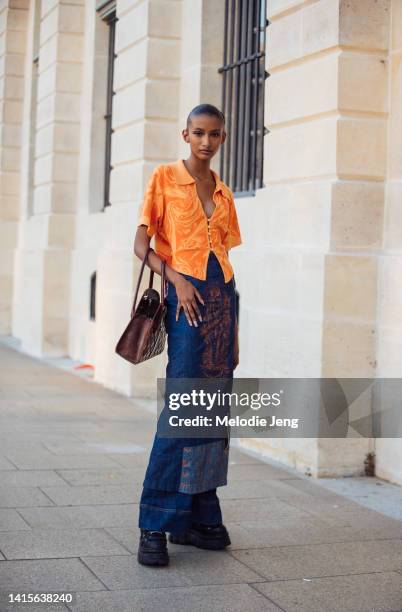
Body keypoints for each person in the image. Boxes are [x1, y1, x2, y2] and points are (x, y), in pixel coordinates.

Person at [133, 103, 243, 567]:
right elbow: (142, 245)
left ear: (222, 138)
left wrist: (234, 327)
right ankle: (154, 523)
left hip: (223, 300)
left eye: (214, 134)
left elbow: (224, 256)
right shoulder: (163, 178)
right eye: (198, 132)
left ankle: (200, 516)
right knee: (183, 411)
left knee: (214, 416)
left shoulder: (223, 191)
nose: (206, 141)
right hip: (186, 302)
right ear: (185, 134)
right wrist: (176, 279)